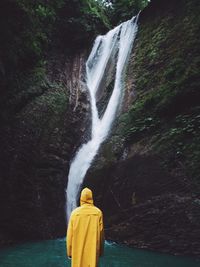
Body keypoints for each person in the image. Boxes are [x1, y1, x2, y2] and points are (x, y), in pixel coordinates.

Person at [66, 187, 104, 267]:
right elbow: (101, 234)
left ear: (81, 198)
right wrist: (100, 252)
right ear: (91, 198)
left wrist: (69, 252)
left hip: (77, 255)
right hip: (92, 254)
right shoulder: (98, 213)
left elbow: (69, 236)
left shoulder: (74, 213)